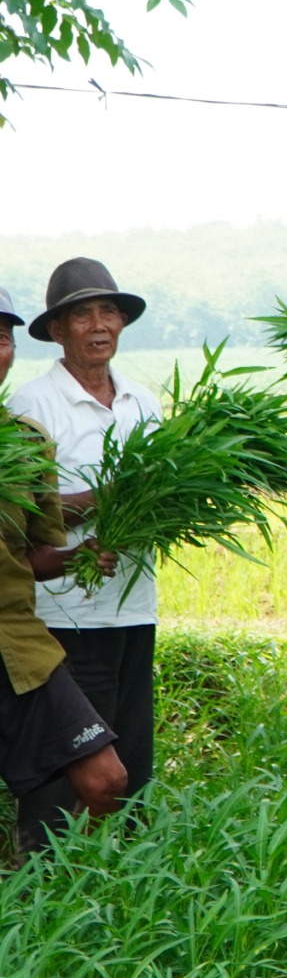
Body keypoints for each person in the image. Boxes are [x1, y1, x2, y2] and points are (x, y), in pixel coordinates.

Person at [8, 258, 161, 816]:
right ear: (56, 330)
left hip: (135, 605)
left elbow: (159, 495)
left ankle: (124, 877)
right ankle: (55, 878)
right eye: (82, 315)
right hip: (66, 613)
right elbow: (26, 514)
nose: (99, 325)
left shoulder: (143, 402)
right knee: (75, 765)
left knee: (132, 761)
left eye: (109, 312)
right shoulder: (32, 406)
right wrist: (113, 496)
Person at [0, 286, 128, 854]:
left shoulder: (25, 444)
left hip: (18, 644)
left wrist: (81, 556)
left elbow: (32, 557)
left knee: (107, 781)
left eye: (1, 337)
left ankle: (57, 893)